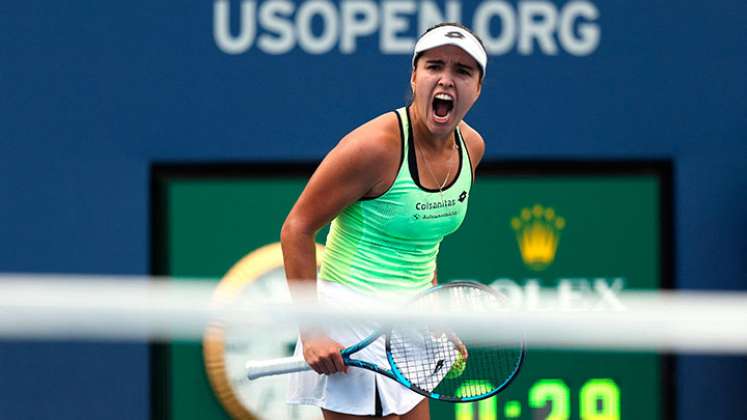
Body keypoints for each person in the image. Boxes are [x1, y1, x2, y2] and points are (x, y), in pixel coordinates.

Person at [280, 22, 487, 420]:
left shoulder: (472, 148)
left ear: (477, 89)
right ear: (414, 77)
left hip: (410, 320)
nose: (446, 79)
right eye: (434, 66)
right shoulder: (373, 148)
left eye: (463, 71)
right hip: (349, 317)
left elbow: (423, 242)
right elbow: (297, 228)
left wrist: (433, 309)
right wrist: (312, 332)